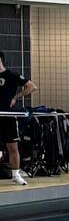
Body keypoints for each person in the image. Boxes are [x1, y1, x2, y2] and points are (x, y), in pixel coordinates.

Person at [0, 49, 34, 186]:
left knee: (12, 147)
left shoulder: (11, 75)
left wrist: (16, 97)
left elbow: (31, 87)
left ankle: (16, 174)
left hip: (8, 117)